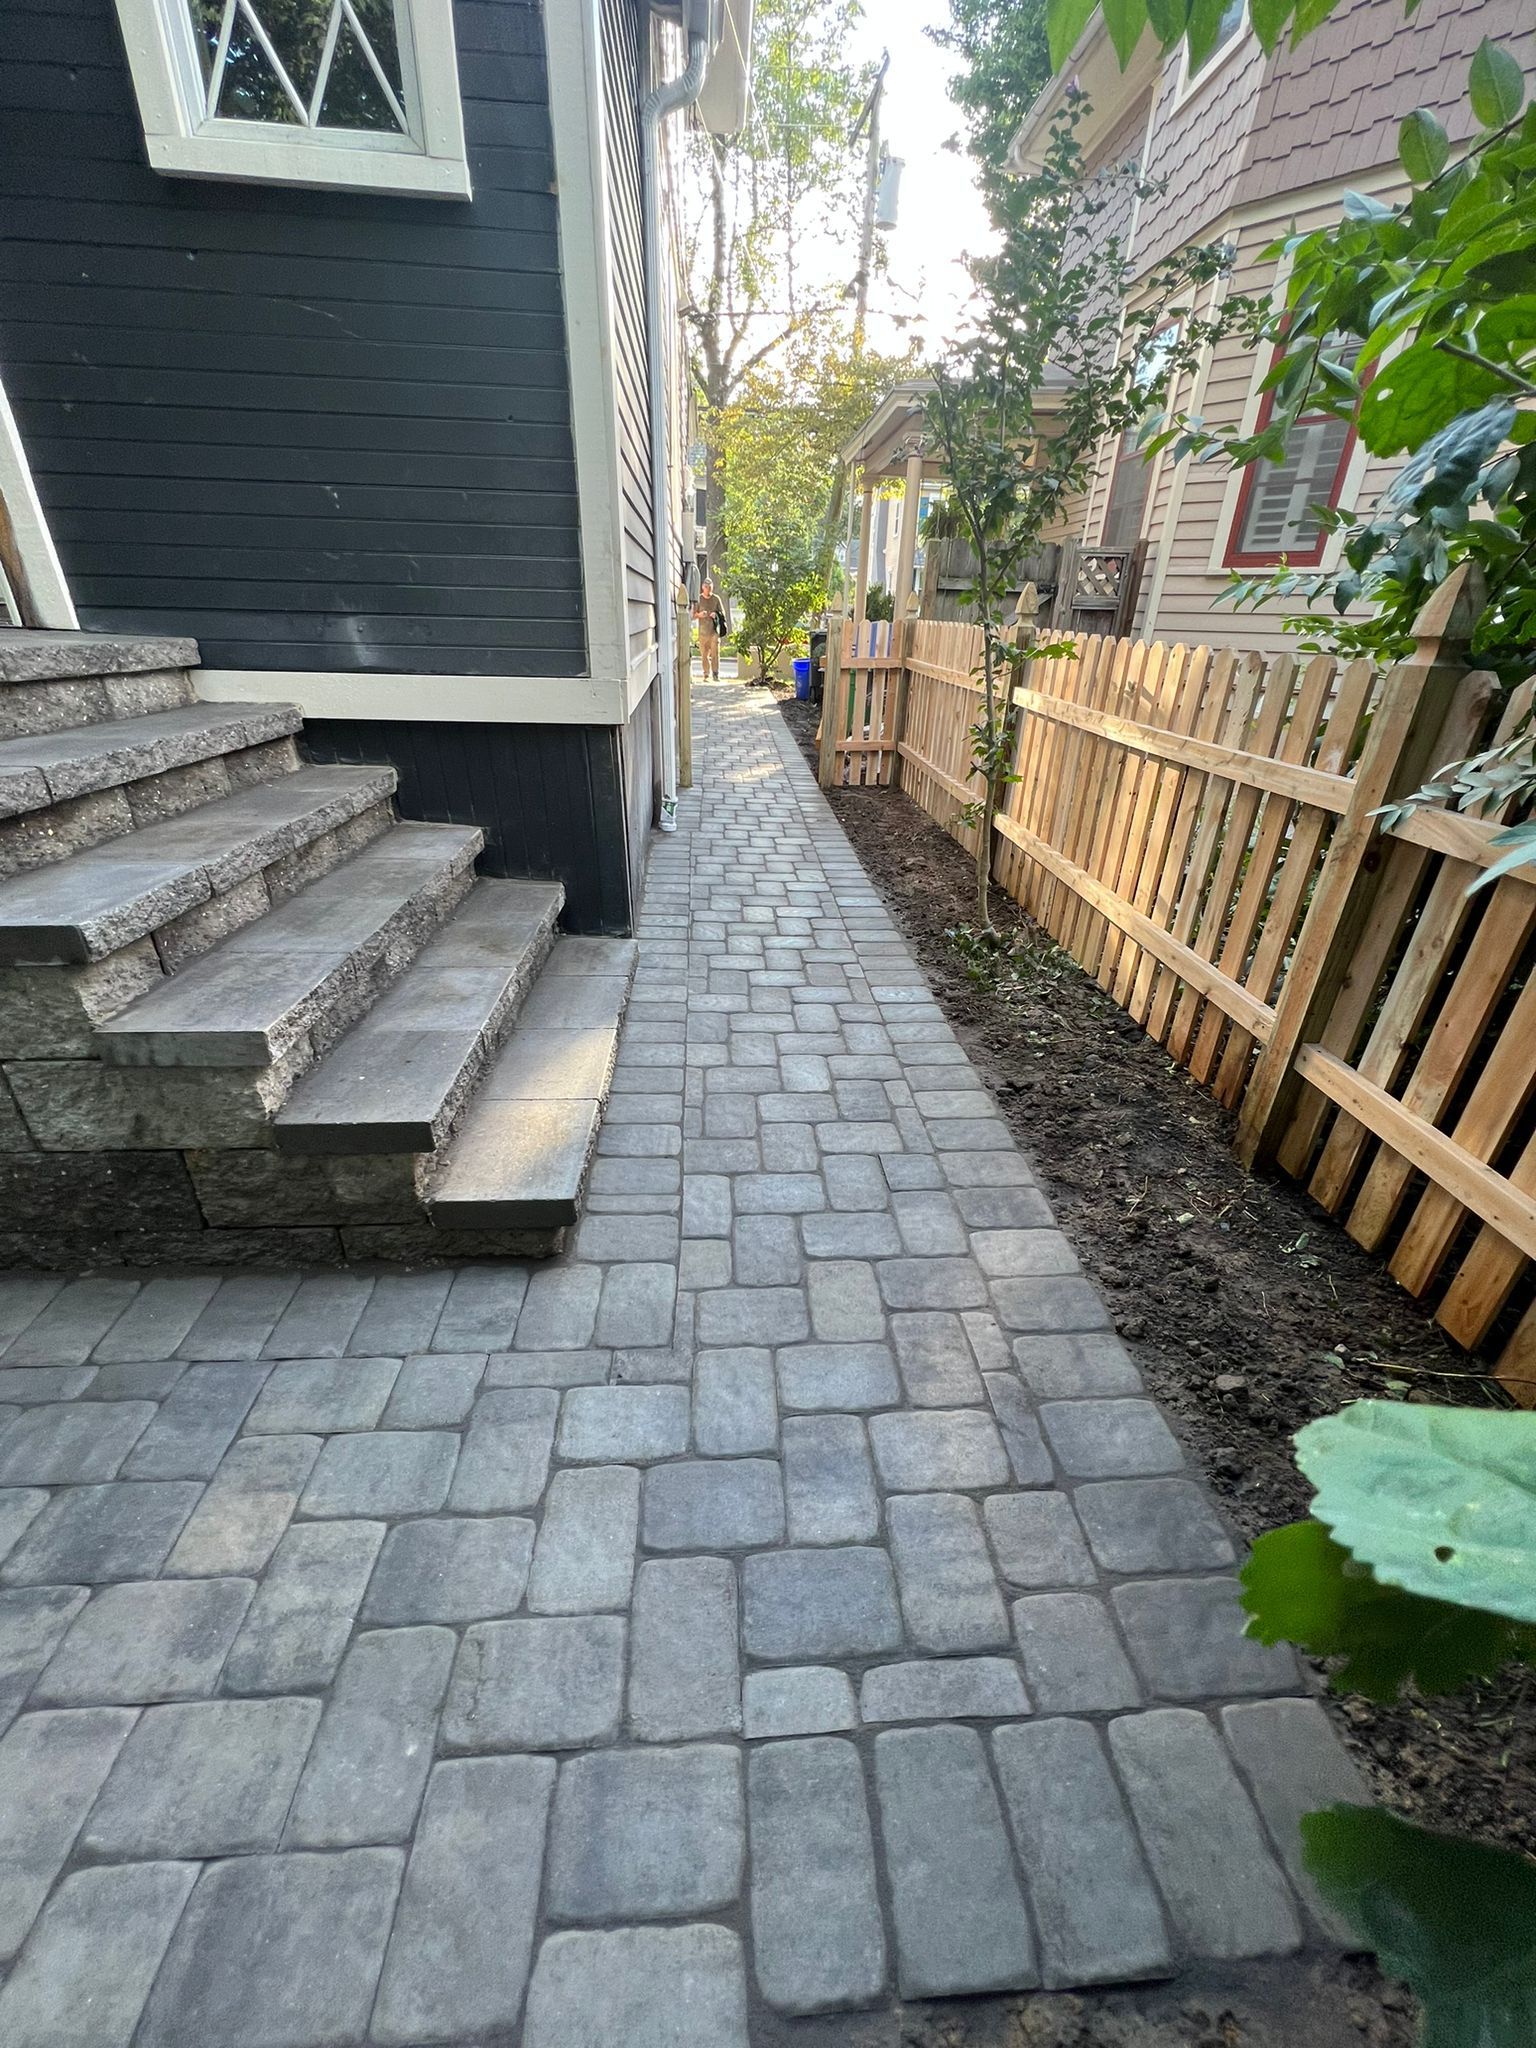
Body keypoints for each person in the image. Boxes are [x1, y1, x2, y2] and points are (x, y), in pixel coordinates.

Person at [693, 581, 725, 680]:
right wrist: (699, 615)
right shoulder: (698, 599)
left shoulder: (716, 599)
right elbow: (693, 615)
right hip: (703, 632)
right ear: (703, 587)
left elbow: (723, 613)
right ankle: (706, 674)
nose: (708, 589)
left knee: (715, 653)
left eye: (710, 587)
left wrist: (716, 614)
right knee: (704, 655)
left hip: (714, 631)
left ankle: (715, 674)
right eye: (706, 587)